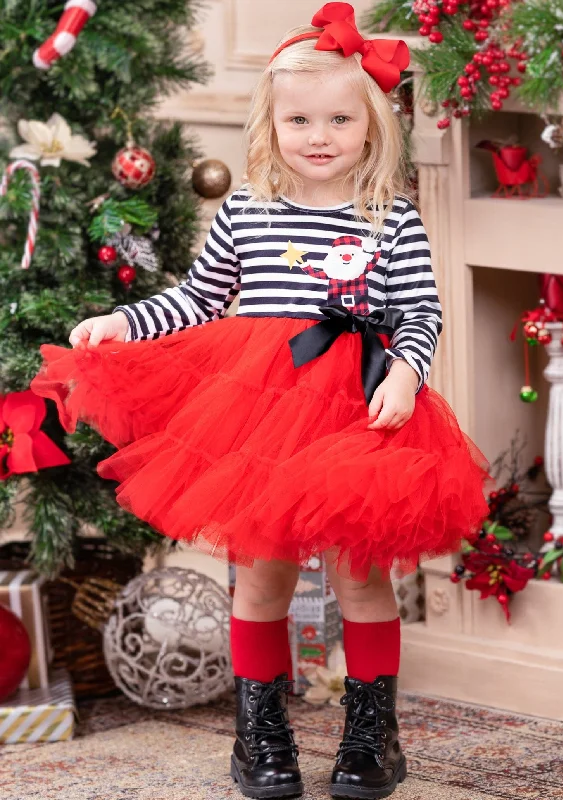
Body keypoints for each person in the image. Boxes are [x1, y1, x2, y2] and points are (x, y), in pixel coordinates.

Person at [31, 3, 489, 798]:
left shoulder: (391, 219)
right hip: (257, 416)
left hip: (359, 408)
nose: (319, 135)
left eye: (340, 119)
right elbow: (198, 299)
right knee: (262, 578)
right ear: (271, 125)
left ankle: (370, 734)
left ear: (371, 127)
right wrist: (121, 321)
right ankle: (261, 734)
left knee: (358, 578)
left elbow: (420, 311)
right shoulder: (247, 210)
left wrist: (407, 373)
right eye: (300, 119)